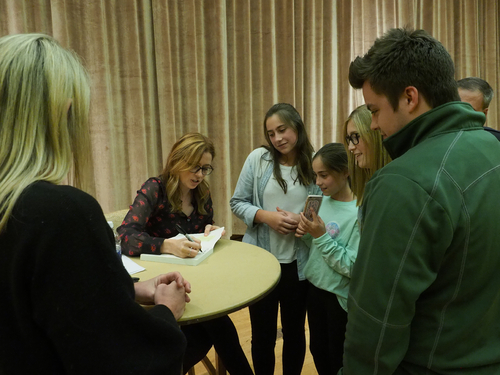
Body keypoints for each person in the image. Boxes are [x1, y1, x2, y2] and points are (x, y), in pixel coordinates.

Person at [0, 33, 190, 374]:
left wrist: (125, 291)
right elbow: (123, 360)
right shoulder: (61, 214)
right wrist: (166, 312)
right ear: (66, 111)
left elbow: (40, 301)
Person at [339, 27, 500, 374]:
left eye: (375, 109)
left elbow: (376, 325)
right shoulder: (494, 149)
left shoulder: (403, 182)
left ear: (410, 98)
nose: (375, 124)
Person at [117, 132, 253, 375]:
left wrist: (210, 231)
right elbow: (126, 235)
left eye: (205, 168)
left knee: (211, 331)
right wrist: (166, 245)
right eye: (194, 167)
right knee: (216, 329)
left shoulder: (201, 193)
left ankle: (165, 368)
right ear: (177, 161)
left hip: (197, 281)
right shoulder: (155, 188)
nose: (200, 175)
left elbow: (200, 231)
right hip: (163, 287)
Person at [230, 103, 320, 375]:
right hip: (262, 263)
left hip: (298, 264)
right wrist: (266, 216)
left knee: (294, 333)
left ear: (297, 128)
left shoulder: (315, 163)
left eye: (282, 130)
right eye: (271, 133)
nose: (277, 138)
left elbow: (317, 211)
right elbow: (237, 202)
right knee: (263, 334)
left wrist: (302, 222)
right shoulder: (258, 159)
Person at [294, 143, 359, 374]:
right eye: (316, 175)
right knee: (318, 350)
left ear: (345, 172)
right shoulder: (321, 201)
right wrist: (305, 234)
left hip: (339, 299)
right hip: (315, 290)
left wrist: (320, 236)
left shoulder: (359, 210)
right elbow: (317, 248)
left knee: (337, 357)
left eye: (324, 175)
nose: (318, 182)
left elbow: (352, 266)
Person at [342, 104, 391, 207]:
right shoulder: (369, 185)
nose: (350, 147)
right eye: (349, 139)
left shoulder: (394, 186)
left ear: (375, 134)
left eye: (355, 136)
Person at [457, 77, 500, 141]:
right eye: (457, 107)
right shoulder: (438, 136)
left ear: (484, 113)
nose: (461, 114)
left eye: (469, 110)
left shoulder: (496, 141)